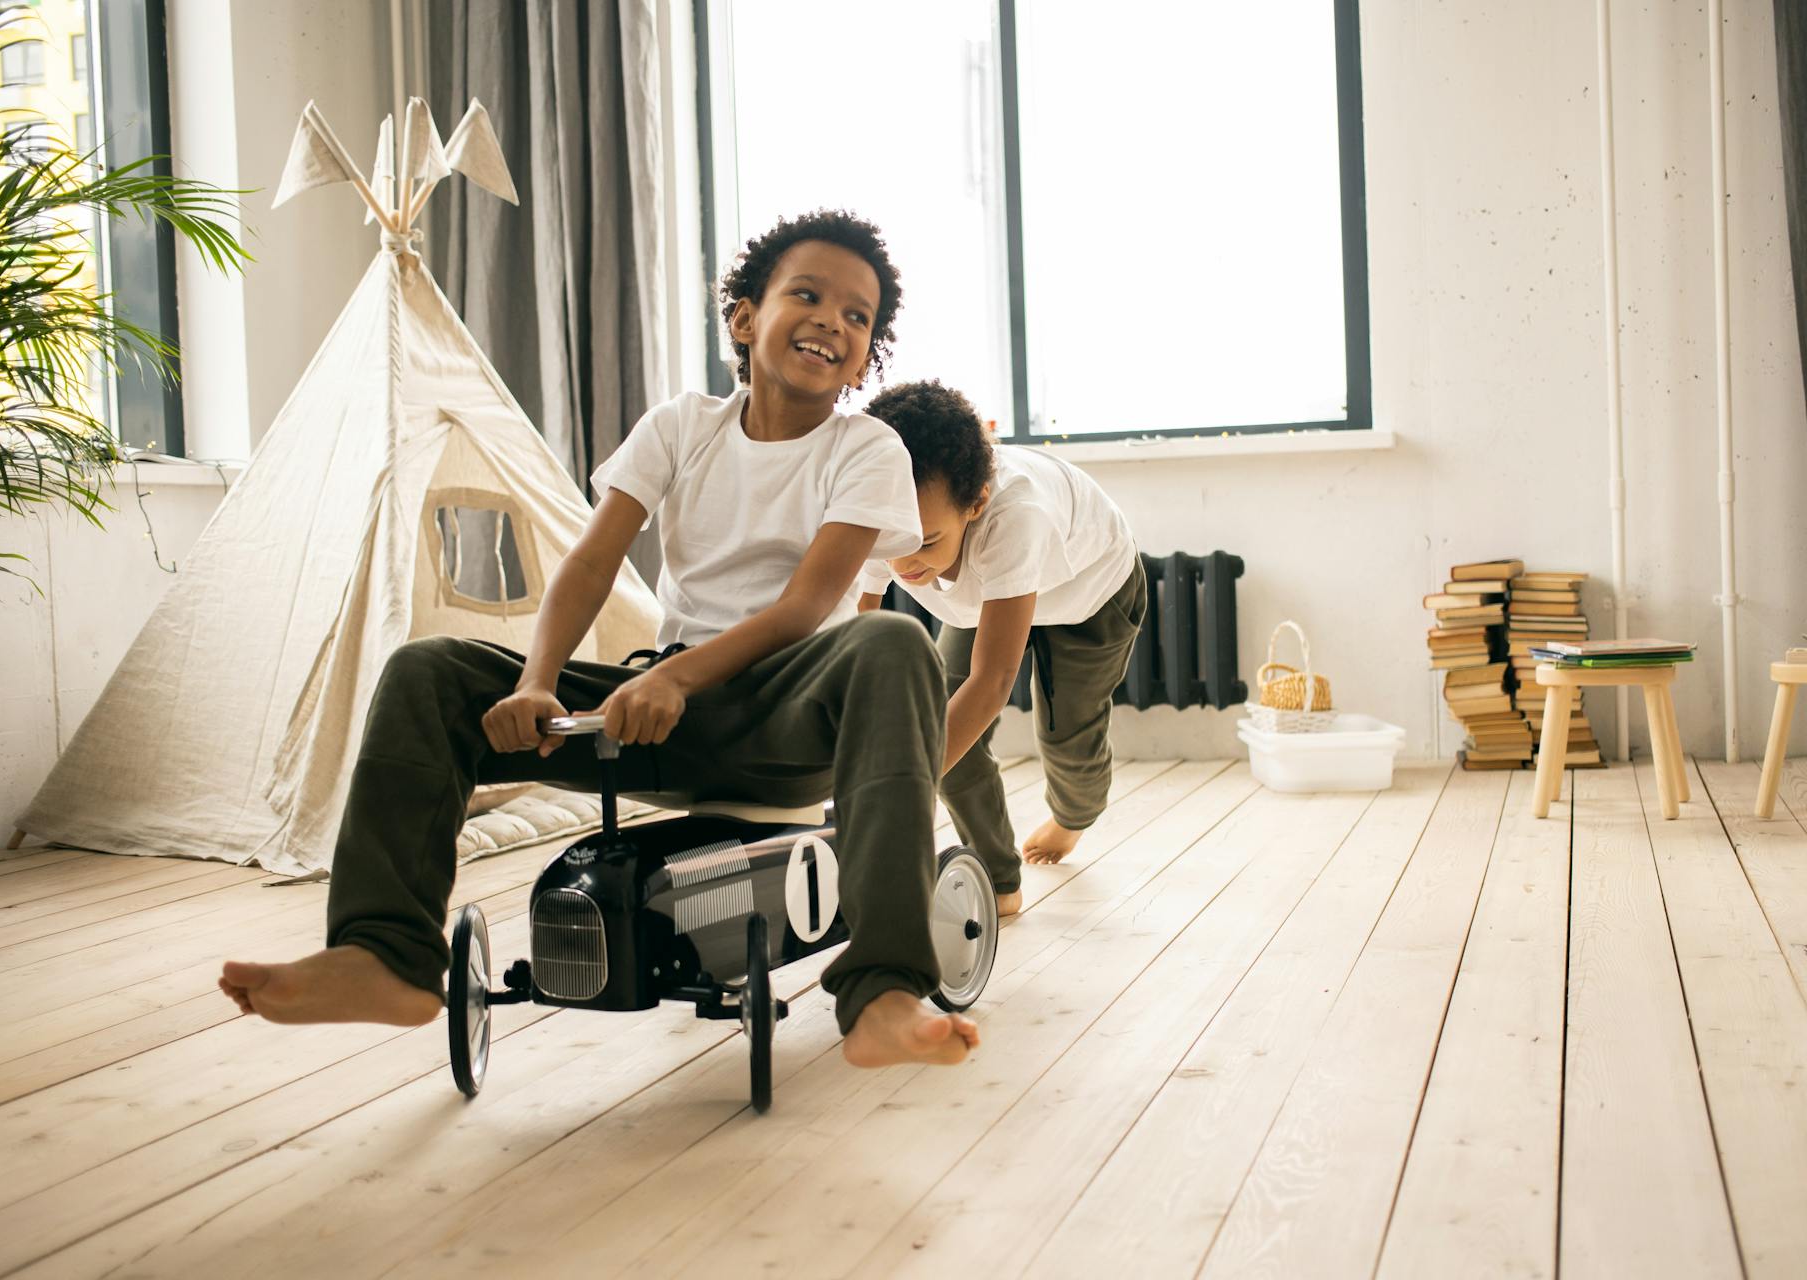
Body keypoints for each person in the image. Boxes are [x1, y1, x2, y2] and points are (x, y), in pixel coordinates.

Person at [221, 211, 980, 1069]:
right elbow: (589, 562)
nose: (832, 322)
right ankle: (386, 957)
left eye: (858, 317)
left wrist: (680, 679)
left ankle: (883, 989)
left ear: (867, 350)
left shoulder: (867, 447)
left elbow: (806, 608)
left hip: (784, 721)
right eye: (808, 295)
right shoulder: (681, 427)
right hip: (660, 717)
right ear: (744, 317)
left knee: (889, 642)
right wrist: (537, 682)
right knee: (429, 670)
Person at [856, 381, 1144, 912]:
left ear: (975, 503)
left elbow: (991, 683)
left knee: (1067, 735)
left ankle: (1073, 816)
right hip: (983, 599)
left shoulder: (1015, 516)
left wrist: (903, 788)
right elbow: (850, 637)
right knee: (938, 727)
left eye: (924, 542)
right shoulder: (886, 516)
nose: (901, 563)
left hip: (1089, 591)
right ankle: (998, 881)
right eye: (892, 542)